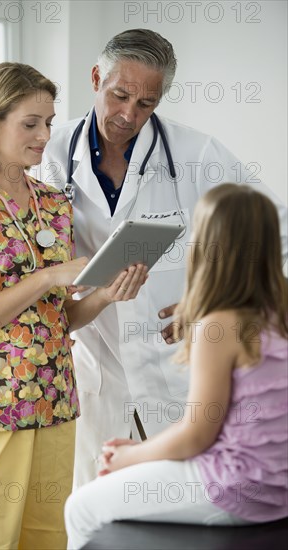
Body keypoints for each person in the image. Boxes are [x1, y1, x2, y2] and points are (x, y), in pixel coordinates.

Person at [39, 28, 288, 488]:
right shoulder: (52, 153)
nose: (129, 115)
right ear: (96, 77)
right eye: (119, 96)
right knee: (99, 508)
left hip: (172, 363)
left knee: (181, 505)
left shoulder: (197, 154)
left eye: (146, 103)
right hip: (98, 364)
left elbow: (274, 228)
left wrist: (214, 305)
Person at [0, 62, 147, 550]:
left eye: (48, 122)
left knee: (47, 540)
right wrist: (46, 276)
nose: (46, 135)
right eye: (30, 123)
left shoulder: (53, 204)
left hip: (54, 402)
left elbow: (61, 320)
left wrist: (107, 293)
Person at [64, 183, 288, 549]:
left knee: (80, 508)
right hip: (277, 487)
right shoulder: (277, 312)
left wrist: (129, 457)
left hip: (236, 489)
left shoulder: (218, 325)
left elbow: (197, 434)